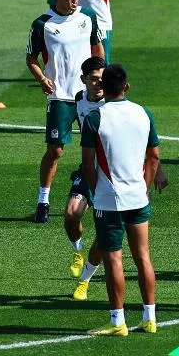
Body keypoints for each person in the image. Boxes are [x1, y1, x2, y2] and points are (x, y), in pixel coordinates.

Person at [81, 65, 160, 336]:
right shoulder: (143, 113)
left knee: (114, 258)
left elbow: (88, 165)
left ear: (105, 86)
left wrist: (96, 191)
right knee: (143, 257)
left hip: (109, 200)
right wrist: (145, 187)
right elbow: (154, 157)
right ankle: (150, 318)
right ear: (126, 87)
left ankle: (117, 322)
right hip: (139, 197)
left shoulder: (95, 118)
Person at [26, 0, 104, 224]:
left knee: (98, 146)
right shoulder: (43, 24)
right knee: (55, 150)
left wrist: (103, 75)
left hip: (88, 96)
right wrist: (41, 79)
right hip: (59, 96)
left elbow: (97, 48)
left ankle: (97, 194)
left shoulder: (88, 17)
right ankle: (43, 201)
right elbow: (31, 58)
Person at [66, 57, 106, 299]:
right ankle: (78, 251)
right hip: (88, 168)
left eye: (103, 79)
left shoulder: (112, 104)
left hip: (112, 174)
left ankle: (85, 280)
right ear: (84, 80)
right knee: (72, 214)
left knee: (105, 232)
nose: (99, 83)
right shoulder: (79, 100)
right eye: (94, 79)